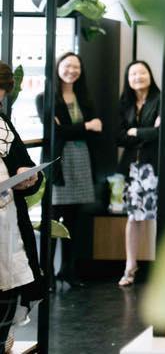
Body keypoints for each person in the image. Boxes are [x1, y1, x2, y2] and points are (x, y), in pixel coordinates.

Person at [36, 52, 101, 288]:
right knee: (53, 220)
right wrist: (85, 126)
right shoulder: (45, 98)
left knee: (74, 221)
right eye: (67, 66)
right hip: (59, 161)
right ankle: (48, 274)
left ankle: (67, 270)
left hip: (82, 160)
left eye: (76, 67)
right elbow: (57, 133)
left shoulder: (85, 98)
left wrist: (73, 128)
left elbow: (97, 127)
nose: (71, 70)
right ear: (57, 68)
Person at [0, 62, 44, 349]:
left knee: (9, 290)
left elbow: (25, 166)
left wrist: (27, 177)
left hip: (7, 226)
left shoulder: (3, 124)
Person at [116, 61, 161, 287]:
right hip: (133, 169)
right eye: (133, 73)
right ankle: (130, 266)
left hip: (154, 166)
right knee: (134, 217)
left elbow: (162, 132)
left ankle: (161, 269)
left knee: (157, 217)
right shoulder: (125, 103)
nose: (138, 77)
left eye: (142, 72)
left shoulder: (160, 99)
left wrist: (136, 131)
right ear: (128, 78)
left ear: (150, 75)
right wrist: (146, 132)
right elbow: (119, 136)